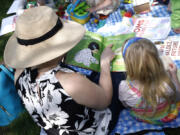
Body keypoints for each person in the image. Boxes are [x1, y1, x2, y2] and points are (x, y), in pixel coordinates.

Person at [3, 6, 115, 135]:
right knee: (116, 80)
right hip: (88, 129)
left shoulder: (19, 73)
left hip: (53, 129)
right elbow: (105, 101)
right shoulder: (71, 82)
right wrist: (105, 63)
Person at [118, 37, 180, 125]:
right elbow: (178, 97)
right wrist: (174, 74)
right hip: (166, 116)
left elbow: (126, 105)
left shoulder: (124, 87)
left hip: (144, 117)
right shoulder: (166, 82)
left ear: (128, 64)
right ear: (157, 61)